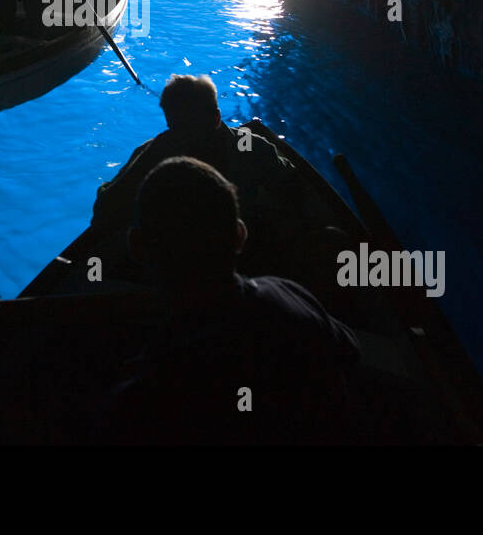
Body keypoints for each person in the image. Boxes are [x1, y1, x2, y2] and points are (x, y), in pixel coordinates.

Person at [95, 156, 361, 444]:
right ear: (240, 236)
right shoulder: (289, 294)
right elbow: (350, 352)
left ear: (136, 246)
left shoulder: (134, 407)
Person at [91, 74, 303, 272]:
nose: (186, 138)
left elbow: (105, 214)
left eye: (191, 127)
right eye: (177, 127)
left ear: (215, 118)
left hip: (218, 258)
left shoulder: (156, 154)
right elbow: (292, 185)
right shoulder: (251, 149)